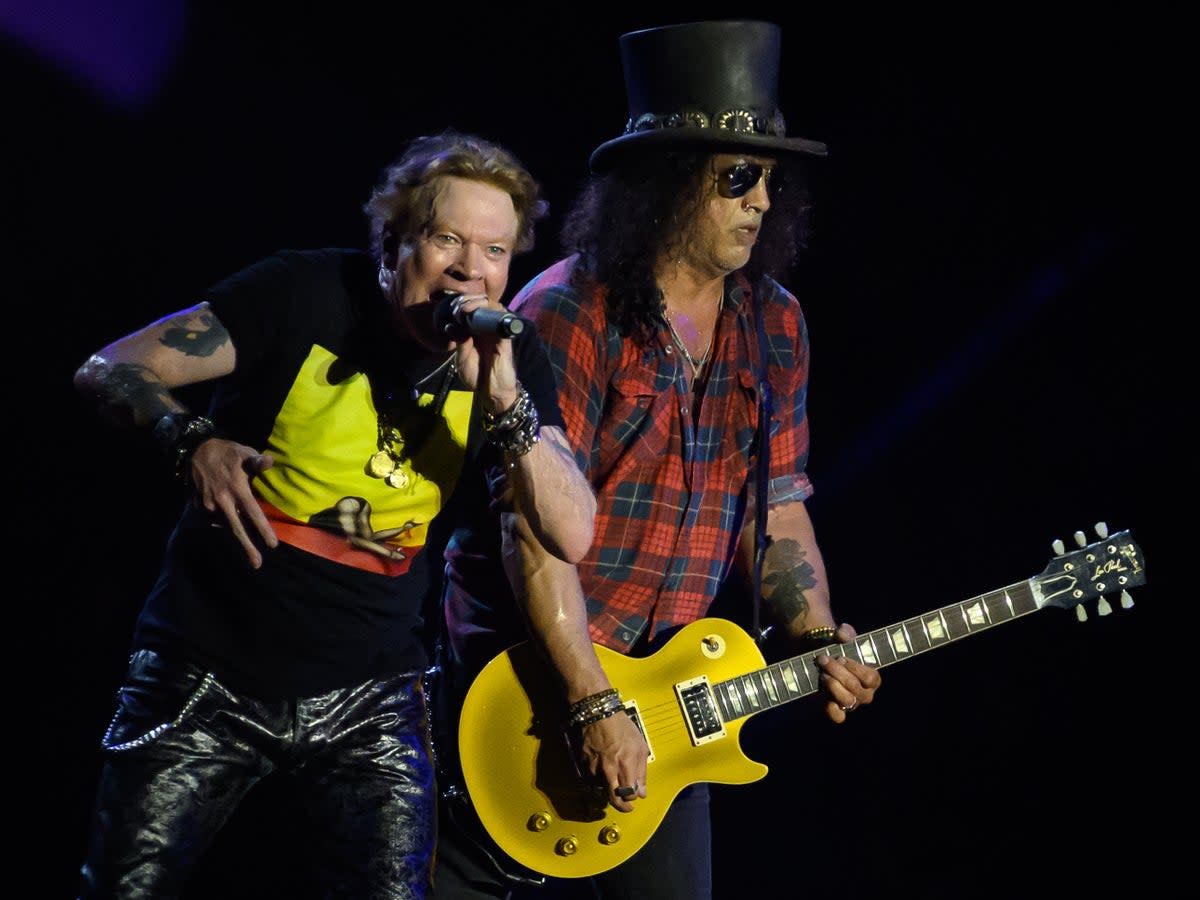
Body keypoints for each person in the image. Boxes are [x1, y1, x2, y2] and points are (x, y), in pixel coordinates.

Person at [72, 130, 596, 899]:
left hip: (370, 696)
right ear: (393, 244)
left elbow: (572, 532)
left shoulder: (509, 365)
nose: (468, 271)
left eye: (494, 251)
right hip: (208, 671)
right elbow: (111, 366)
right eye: (446, 238)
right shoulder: (304, 293)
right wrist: (192, 440)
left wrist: (508, 402)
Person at [429, 20, 883, 900]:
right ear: (672, 182)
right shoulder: (565, 309)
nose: (759, 201)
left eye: (769, 182)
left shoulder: (776, 323)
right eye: (737, 178)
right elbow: (532, 531)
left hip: (670, 700)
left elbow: (779, 507)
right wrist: (593, 700)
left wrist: (817, 631)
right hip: (522, 695)